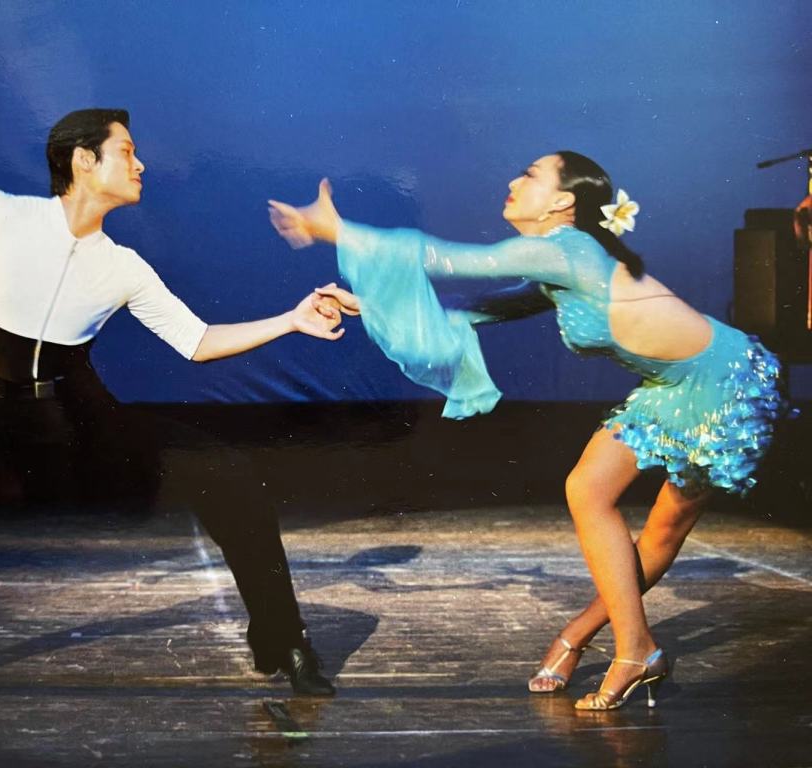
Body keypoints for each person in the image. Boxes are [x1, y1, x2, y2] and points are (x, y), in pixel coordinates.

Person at [0, 108, 349, 697]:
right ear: (84, 160)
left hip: (90, 432)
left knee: (229, 476)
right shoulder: (4, 216)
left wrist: (291, 320)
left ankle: (284, 640)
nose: (140, 164)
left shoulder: (122, 267)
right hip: (7, 437)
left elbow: (198, 341)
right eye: (126, 151)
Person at [268, 151, 787, 710]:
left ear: (562, 201)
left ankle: (616, 646)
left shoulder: (567, 249)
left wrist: (338, 229)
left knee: (661, 527)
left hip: (724, 381)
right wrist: (366, 302)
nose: (515, 180)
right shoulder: (557, 262)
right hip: (672, 385)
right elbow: (478, 309)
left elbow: (445, 258)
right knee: (588, 490)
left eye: (532, 174)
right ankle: (619, 644)